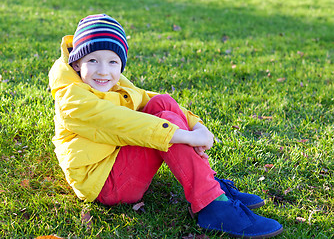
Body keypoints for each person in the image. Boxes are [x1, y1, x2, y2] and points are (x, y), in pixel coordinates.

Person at [49, 14, 283, 238]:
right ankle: (212, 205)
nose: (103, 70)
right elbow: (122, 123)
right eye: (92, 60)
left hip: (114, 158)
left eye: (113, 62)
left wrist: (197, 126)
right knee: (166, 126)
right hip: (105, 184)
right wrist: (184, 136)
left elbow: (147, 98)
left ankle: (208, 183)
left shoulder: (109, 81)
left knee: (163, 102)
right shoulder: (72, 100)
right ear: (77, 63)